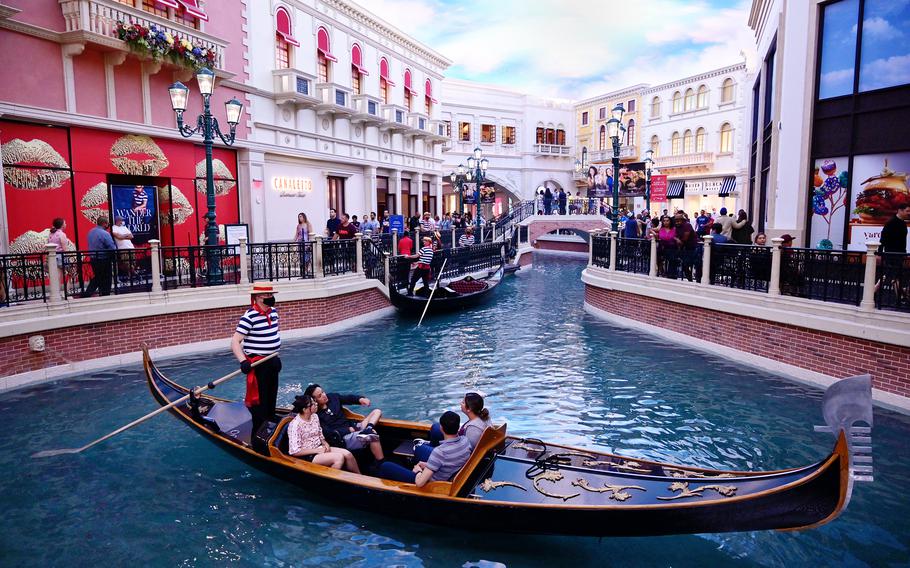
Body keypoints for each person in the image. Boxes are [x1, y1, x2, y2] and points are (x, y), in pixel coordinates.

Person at [231, 282, 282, 436]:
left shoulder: (273, 312)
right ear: (258, 297)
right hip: (259, 365)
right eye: (267, 295)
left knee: (272, 396)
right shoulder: (249, 317)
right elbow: (235, 342)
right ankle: (259, 433)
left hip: (273, 361)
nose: (270, 298)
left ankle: (271, 424)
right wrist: (243, 361)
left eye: (271, 295)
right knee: (260, 401)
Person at [378, 411, 472, 487]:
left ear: (442, 428)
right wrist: (427, 465)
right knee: (419, 451)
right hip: (446, 473)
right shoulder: (465, 440)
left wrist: (418, 471)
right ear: (458, 427)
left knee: (385, 466)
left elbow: (419, 483)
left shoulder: (439, 452)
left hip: (431, 484)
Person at [303, 383, 384, 462]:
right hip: (343, 438)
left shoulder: (332, 397)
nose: (324, 395)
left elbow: (348, 398)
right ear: (314, 401)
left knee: (377, 411)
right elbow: (329, 433)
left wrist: (361, 399)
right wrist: (349, 430)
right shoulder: (315, 416)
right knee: (372, 435)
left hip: (354, 427)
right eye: (320, 396)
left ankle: (369, 428)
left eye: (323, 392)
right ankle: (381, 464)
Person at [287, 394, 360, 473]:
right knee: (339, 458)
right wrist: (316, 451)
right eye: (313, 404)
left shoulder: (314, 416)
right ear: (305, 409)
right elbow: (294, 451)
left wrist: (325, 443)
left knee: (348, 454)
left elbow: (319, 433)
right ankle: (330, 482)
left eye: (315, 402)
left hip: (319, 447)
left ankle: (360, 478)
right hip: (307, 455)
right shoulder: (295, 425)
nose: (316, 404)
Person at [80, 216, 117, 297]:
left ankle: (93, 293)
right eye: (107, 223)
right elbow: (112, 247)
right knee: (105, 278)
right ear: (104, 224)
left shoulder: (91, 232)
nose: (108, 225)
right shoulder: (105, 233)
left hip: (93, 259)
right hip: (103, 259)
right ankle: (102, 294)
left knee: (98, 276)